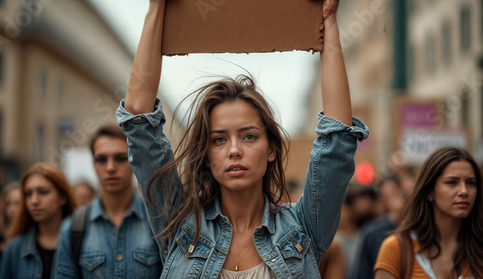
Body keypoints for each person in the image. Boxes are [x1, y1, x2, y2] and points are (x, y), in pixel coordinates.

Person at [116, 0, 368, 278]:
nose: (234, 150)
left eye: (249, 136)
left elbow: (337, 143)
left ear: (271, 149)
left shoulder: (303, 228)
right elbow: (139, 123)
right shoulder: (181, 224)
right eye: (219, 140)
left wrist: (329, 22)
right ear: (207, 155)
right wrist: (156, 7)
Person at [54, 125, 163, 278]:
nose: (110, 167)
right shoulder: (72, 228)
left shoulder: (158, 222)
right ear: (93, 163)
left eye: (120, 158)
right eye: (101, 159)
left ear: (134, 160)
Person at [374, 147, 483, 278]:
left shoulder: (479, 250)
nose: (464, 191)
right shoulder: (397, 249)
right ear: (430, 192)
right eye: (452, 182)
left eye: (471, 183)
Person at [0, 163, 78, 279]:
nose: (34, 201)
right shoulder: (15, 248)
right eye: (28, 194)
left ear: (62, 197)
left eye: (43, 192)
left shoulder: (81, 244)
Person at [350, 177, 407, 279]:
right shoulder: (372, 232)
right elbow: (361, 273)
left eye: (395, 192)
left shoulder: (421, 229)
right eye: (387, 195)